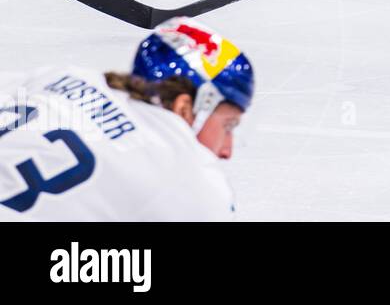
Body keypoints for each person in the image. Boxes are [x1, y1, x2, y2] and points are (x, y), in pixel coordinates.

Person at [0, 17, 253, 220]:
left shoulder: (63, 76)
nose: (227, 150)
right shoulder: (188, 175)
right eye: (228, 125)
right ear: (185, 108)